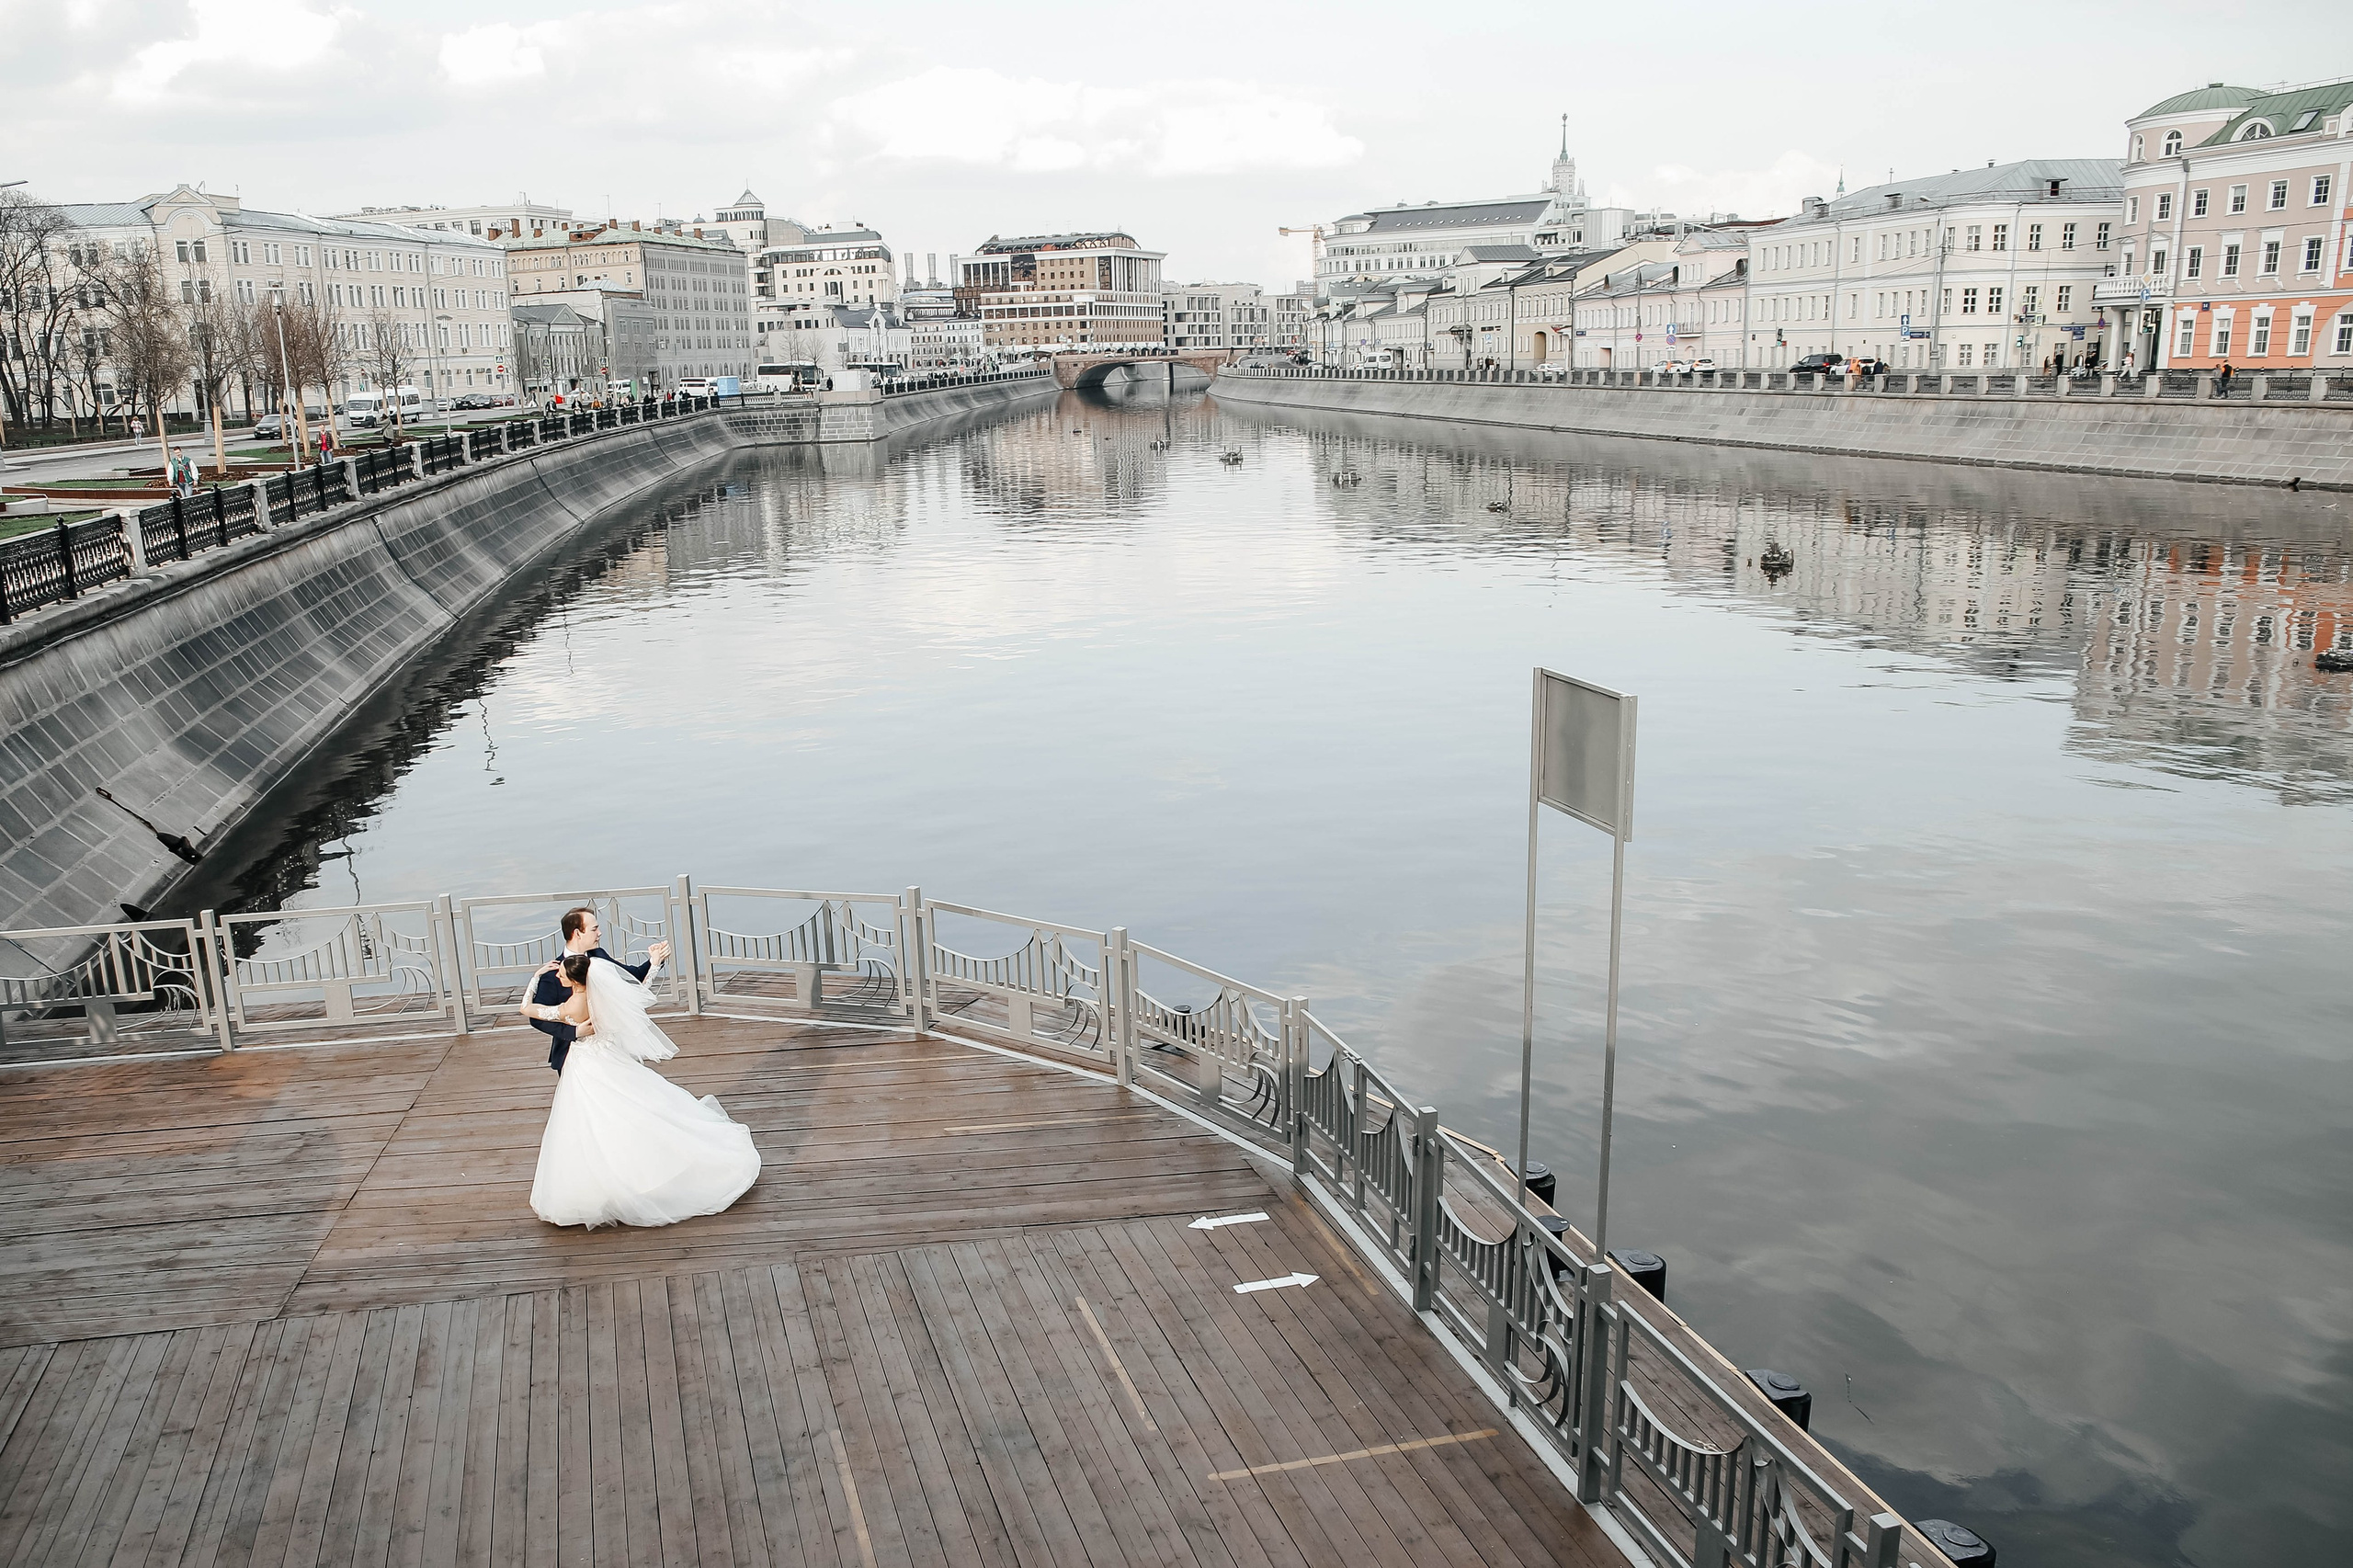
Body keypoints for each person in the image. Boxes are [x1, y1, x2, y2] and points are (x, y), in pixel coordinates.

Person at [517, 950, 760, 1228]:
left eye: (561, 973)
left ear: (574, 980)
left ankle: (610, 1184)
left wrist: (535, 978)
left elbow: (527, 1008)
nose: (557, 974)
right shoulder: (599, 998)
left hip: (585, 1066)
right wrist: (654, 966)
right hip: (608, 1058)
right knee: (628, 1109)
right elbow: (639, 997)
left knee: (590, 1121)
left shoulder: (571, 1007)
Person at [526, 905, 671, 1073]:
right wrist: (574, 1031)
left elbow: (633, 976)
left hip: (610, 1047)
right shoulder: (553, 973)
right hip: (573, 1054)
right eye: (594, 929)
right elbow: (536, 1018)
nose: (600, 933)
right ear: (577, 933)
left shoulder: (598, 955)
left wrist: (655, 960)